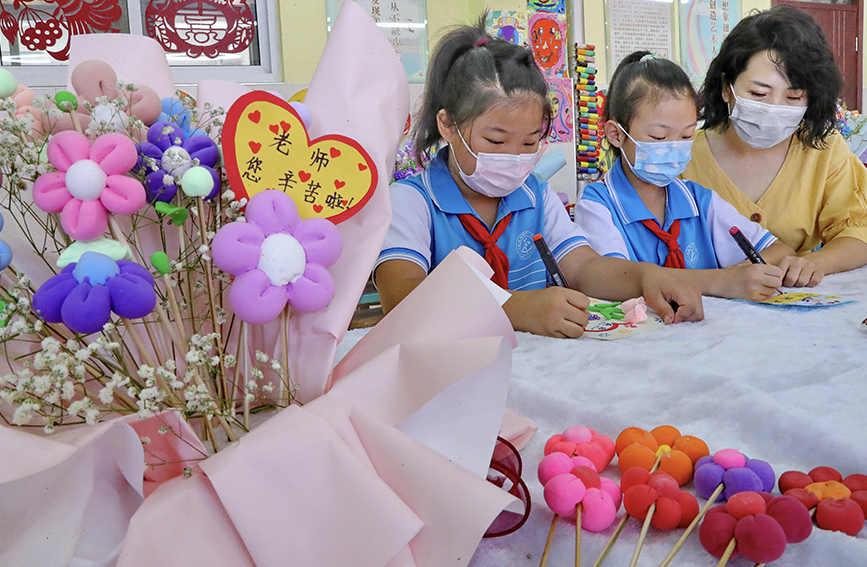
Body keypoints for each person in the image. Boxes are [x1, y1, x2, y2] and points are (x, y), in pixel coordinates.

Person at [374, 18, 703, 338]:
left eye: (530, 142)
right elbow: (401, 299)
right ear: (448, 125)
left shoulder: (536, 197)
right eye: (496, 141)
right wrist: (515, 309)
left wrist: (647, 277)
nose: (514, 157)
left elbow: (584, 269)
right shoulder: (411, 201)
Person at [575, 51, 819, 300]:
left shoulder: (697, 200)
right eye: (659, 137)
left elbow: (777, 250)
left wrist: (740, 274)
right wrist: (720, 281)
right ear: (616, 135)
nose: (674, 147)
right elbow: (612, 280)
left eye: (686, 136)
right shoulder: (597, 205)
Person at [681, 5, 867, 278]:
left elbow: (858, 232)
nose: (774, 108)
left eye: (793, 98)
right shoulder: (683, 154)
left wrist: (818, 263)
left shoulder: (824, 150)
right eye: (758, 94)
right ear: (725, 88)